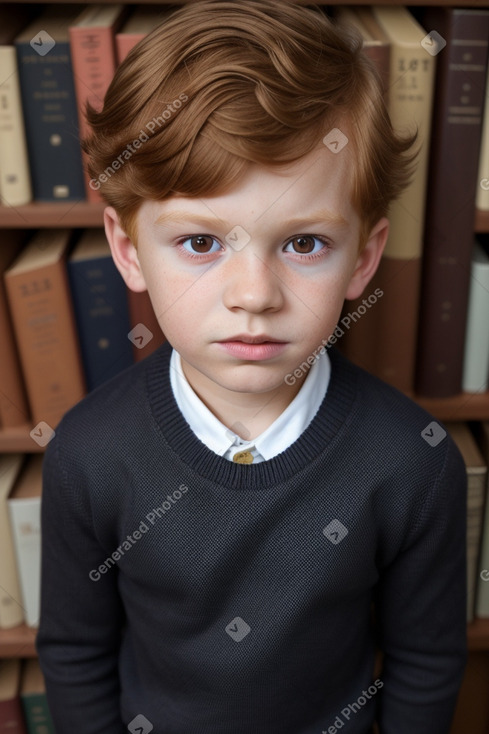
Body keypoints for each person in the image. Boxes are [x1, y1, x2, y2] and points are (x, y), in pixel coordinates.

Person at [36, 1, 467, 733]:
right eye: (201, 243)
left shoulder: (413, 463)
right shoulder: (85, 453)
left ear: (363, 257)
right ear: (129, 247)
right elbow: (75, 652)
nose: (253, 297)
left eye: (303, 244)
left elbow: (424, 665)